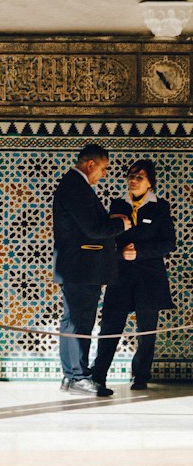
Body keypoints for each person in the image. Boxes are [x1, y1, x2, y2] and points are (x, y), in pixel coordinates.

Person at [91, 159, 175, 393]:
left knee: (147, 331)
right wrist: (121, 253)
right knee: (110, 326)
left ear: (150, 183)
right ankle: (98, 375)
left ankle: (141, 375)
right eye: (131, 175)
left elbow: (168, 243)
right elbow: (107, 237)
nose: (133, 180)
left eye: (139, 176)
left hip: (150, 279)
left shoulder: (160, 207)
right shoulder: (118, 204)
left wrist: (139, 253)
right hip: (120, 276)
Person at [52, 143, 125, 395]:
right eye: (103, 169)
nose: (103, 174)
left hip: (78, 267)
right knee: (79, 321)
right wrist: (120, 225)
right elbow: (93, 229)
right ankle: (78, 377)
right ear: (90, 164)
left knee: (74, 320)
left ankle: (70, 376)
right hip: (81, 267)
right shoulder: (76, 186)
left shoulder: (75, 185)